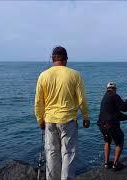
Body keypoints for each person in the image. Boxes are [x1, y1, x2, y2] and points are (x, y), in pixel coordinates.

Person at [34, 46, 90, 180]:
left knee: (52, 153)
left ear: (53, 59)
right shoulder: (75, 75)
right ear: (66, 59)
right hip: (68, 121)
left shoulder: (43, 75)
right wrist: (86, 117)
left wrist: (40, 119)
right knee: (68, 154)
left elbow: (38, 101)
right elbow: (82, 100)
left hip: (50, 121)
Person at [97, 82, 127, 171]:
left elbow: (115, 112)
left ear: (107, 88)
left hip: (101, 124)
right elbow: (124, 108)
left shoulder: (105, 97)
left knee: (107, 141)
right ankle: (115, 165)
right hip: (110, 124)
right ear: (114, 89)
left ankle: (106, 163)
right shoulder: (115, 96)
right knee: (120, 142)